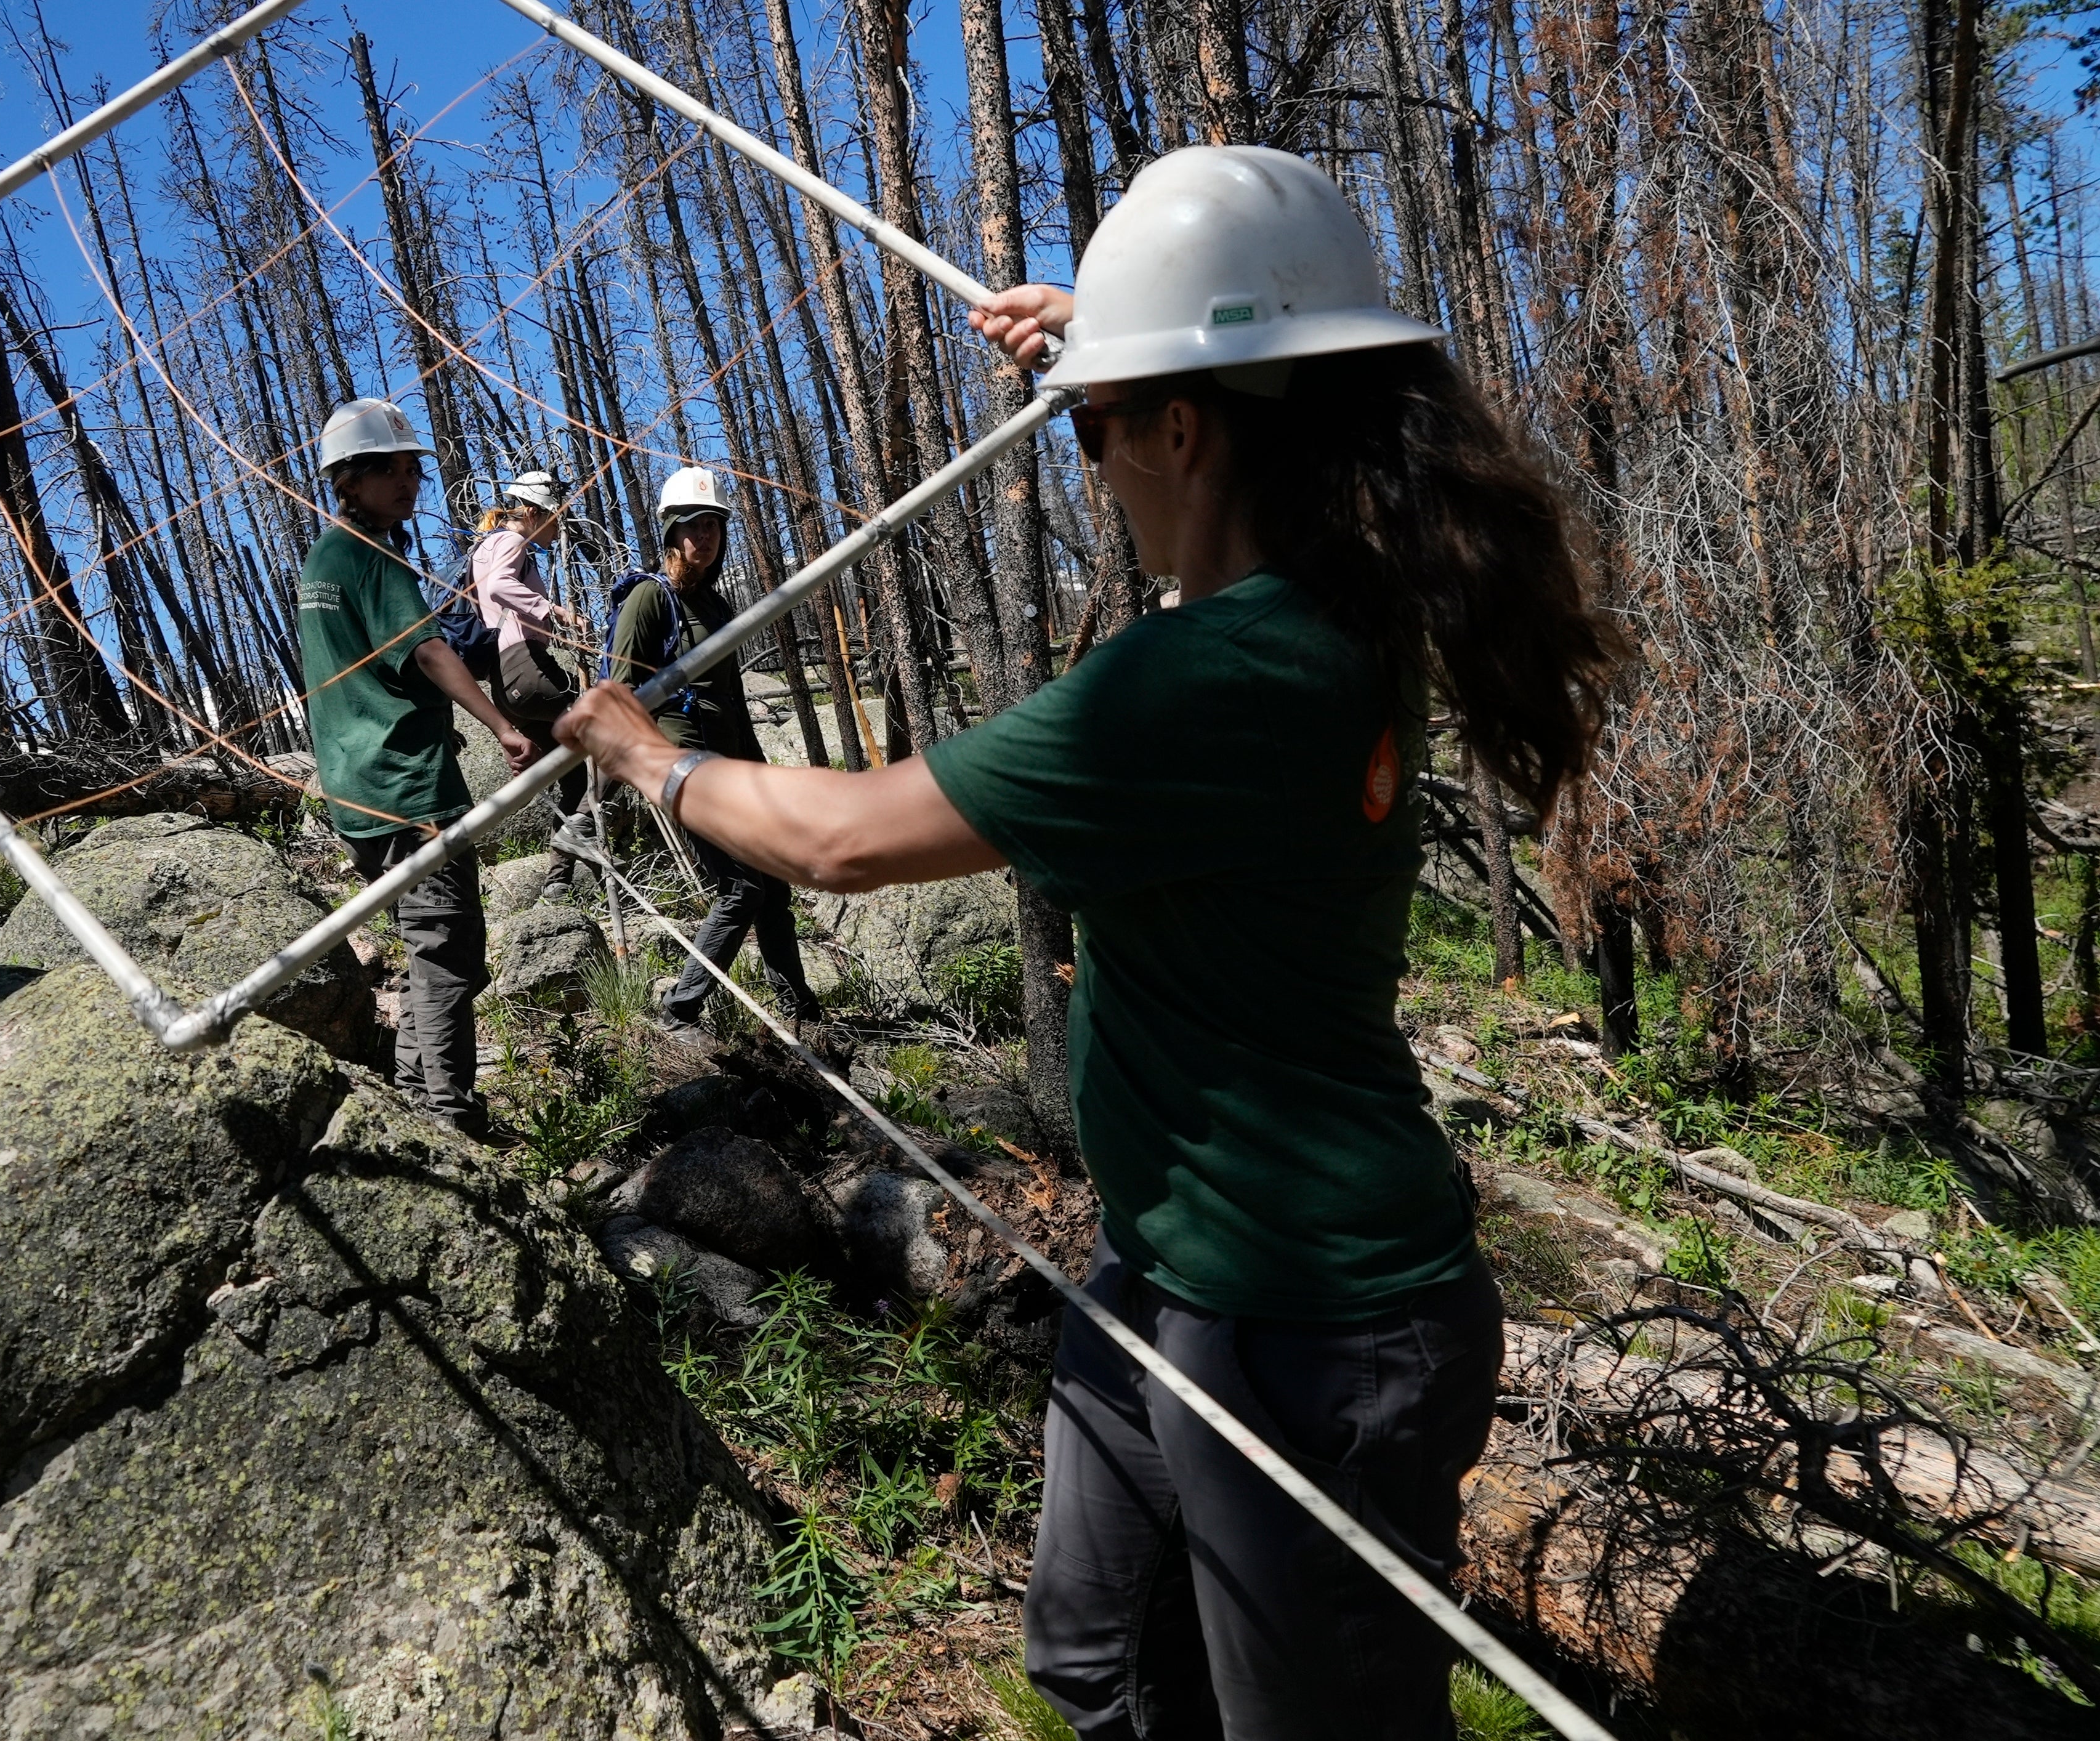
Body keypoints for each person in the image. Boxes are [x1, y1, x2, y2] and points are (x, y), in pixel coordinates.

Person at [558, 147, 1615, 1738]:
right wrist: (1103, 346)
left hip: (1309, 1327)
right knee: (1098, 1662)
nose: (1084, 452)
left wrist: (652, 761)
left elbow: (842, 840)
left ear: (1187, 428)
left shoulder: (1197, 687)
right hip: (1178, 1273)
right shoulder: (1343, 597)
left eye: (1095, 427)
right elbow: (1263, 446)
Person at [297, 397, 536, 1139]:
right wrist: (501, 724)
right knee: (448, 953)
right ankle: (450, 1115)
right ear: (348, 478)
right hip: (407, 785)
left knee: (426, 946)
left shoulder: (323, 557)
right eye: (387, 470)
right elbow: (427, 651)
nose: (407, 484)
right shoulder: (372, 556)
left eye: (412, 471)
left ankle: (411, 1093)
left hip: (353, 789)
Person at [607, 465, 822, 1038]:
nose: (705, 536)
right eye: (693, 525)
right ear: (672, 532)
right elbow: (620, 694)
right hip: (683, 763)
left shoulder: (718, 608)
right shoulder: (650, 599)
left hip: (733, 764)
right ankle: (680, 1010)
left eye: (715, 526)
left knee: (772, 880)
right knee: (742, 886)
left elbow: (731, 699)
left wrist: (762, 774)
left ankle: (799, 1008)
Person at [471, 471, 595, 900]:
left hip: (507, 685)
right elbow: (501, 586)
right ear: (534, 511)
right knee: (603, 741)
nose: (559, 527)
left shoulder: (483, 547)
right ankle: (585, 845)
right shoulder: (510, 542)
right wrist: (554, 610)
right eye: (555, 517)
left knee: (573, 770)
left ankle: (558, 881)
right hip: (527, 665)